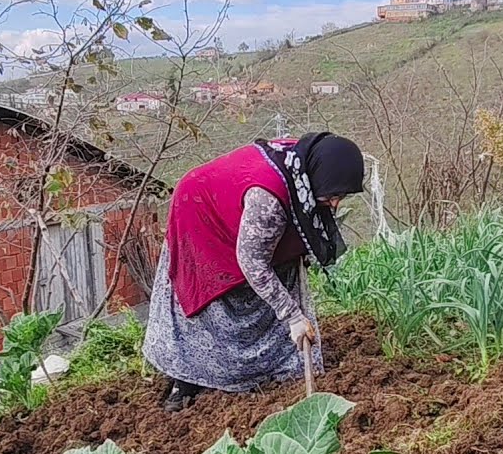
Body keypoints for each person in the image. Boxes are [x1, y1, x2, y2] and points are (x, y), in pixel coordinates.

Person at [143, 132, 365, 412]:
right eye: (333, 195)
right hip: (201, 216)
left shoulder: (303, 167)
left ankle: (273, 371)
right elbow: (253, 263)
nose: (335, 204)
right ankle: (185, 381)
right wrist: (293, 316)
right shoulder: (268, 199)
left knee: (281, 284)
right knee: (208, 306)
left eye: (340, 196)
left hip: (246, 217)